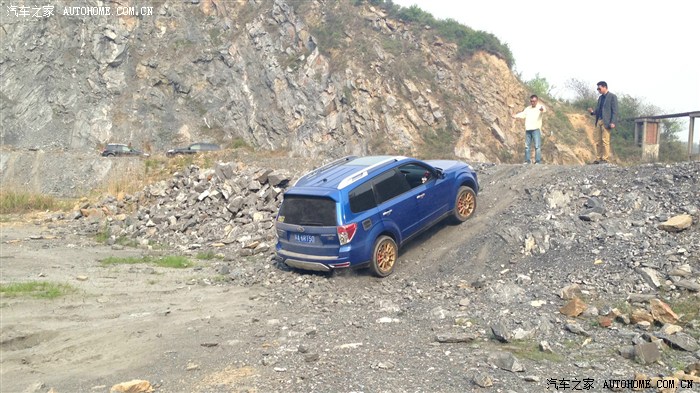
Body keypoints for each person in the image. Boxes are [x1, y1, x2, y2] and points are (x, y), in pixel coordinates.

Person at [587, 81, 618, 164]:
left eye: (599, 88)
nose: (598, 90)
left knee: (605, 141)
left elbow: (615, 111)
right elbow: (598, 110)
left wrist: (613, 122)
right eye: (597, 89)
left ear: (605, 87)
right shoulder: (600, 98)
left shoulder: (612, 96)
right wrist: (592, 112)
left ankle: (605, 158)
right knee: (598, 141)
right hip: (599, 121)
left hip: (607, 121)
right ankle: (598, 158)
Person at [512, 94, 546, 164]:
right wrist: (515, 116)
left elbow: (544, 110)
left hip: (536, 129)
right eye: (531, 101)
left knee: (537, 146)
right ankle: (527, 161)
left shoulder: (540, 107)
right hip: (528, 129)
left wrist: (542, 109)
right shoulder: (528, 109)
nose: (532, 102)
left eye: (534, 101)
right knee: (527, 146)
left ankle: (538, 161)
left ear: (537, 101)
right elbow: (522, 114)